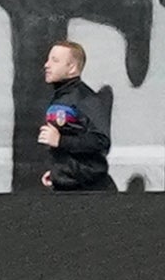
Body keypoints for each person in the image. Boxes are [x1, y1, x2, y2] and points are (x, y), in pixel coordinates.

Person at [28, 36, 115, 191]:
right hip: (69, 187)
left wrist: (61, 141)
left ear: (72, 68)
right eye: (48, 60)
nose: (46, 65)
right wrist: (58, 173)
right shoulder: (61, 97)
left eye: (55, 60)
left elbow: (101, 141)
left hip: (90, 192)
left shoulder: (86, 99)